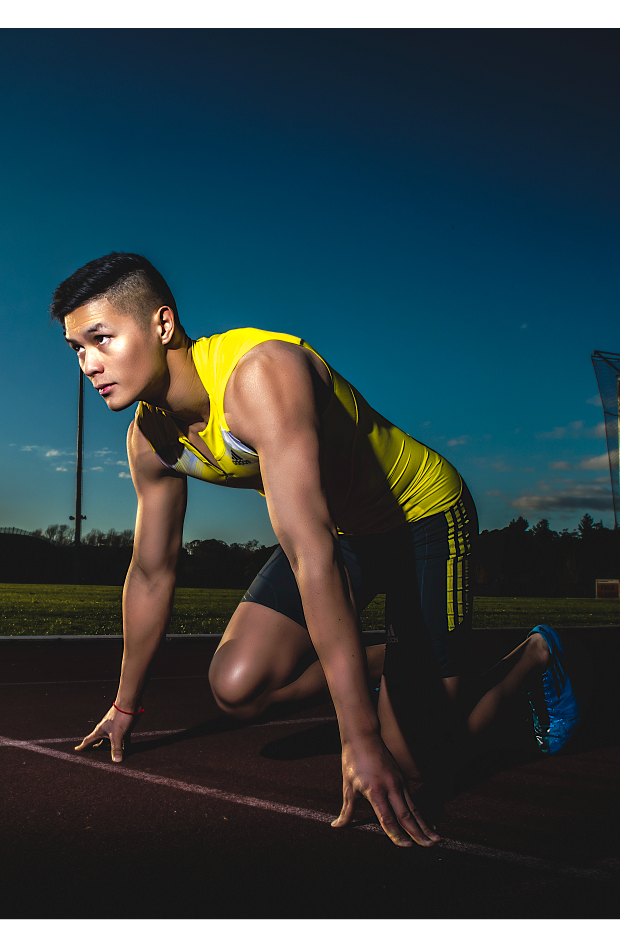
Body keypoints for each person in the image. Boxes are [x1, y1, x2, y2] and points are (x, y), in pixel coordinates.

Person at [56, 252, 578, 847]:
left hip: (422, 517)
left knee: (406, 762)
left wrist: (360, 739)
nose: (88, 364)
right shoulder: (149, 438)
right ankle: (399, 659)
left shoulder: (261, 375)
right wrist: (126, 706)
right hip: (343, 532)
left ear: (163, 325)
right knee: (236, 684)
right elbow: (152, 571)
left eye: (101, 339)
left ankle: (532, 658)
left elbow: (310, 554)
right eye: (77, 349)